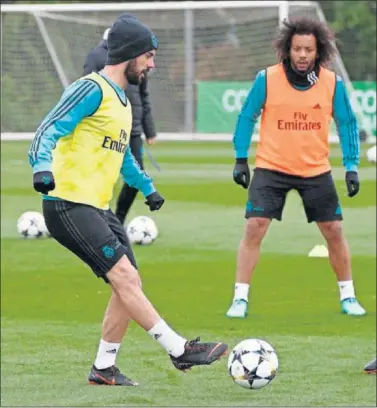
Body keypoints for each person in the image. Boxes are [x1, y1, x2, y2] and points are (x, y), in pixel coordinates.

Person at [28, 14, 227, 386]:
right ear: (131, 54)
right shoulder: (90, 89)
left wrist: (147, 187)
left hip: (98, 207)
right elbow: (47, 129)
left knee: (128, 282)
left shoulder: (122, 101)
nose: (152, 64)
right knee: (123, 276)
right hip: (67, 203)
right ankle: (179, 349)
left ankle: (104, 368)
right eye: (148, 56)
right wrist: (41, 168)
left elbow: (121, 156)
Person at [226, 16, 366, 318]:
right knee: (254, 227)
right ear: (287, 50)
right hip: (271, 167)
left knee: (334, 231)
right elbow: (246, 116)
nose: (302, 55)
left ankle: (348, 296)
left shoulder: (332, 83)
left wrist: (351, 166)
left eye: (308, 50)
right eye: (297, 49)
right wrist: (240, 158)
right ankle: (240, 299)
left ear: (319, 52)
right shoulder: (266, 78)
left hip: (315, 170)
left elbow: (347, 124)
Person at [84, 27, 157, 225]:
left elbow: (144, 95)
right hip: (103, 128)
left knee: (135, 174)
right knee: (99, 175)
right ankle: (96, 218)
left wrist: (148, 129)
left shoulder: (138, 60)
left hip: (132, 128)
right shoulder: (98, 57)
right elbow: (86, 90)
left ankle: (118, 219)